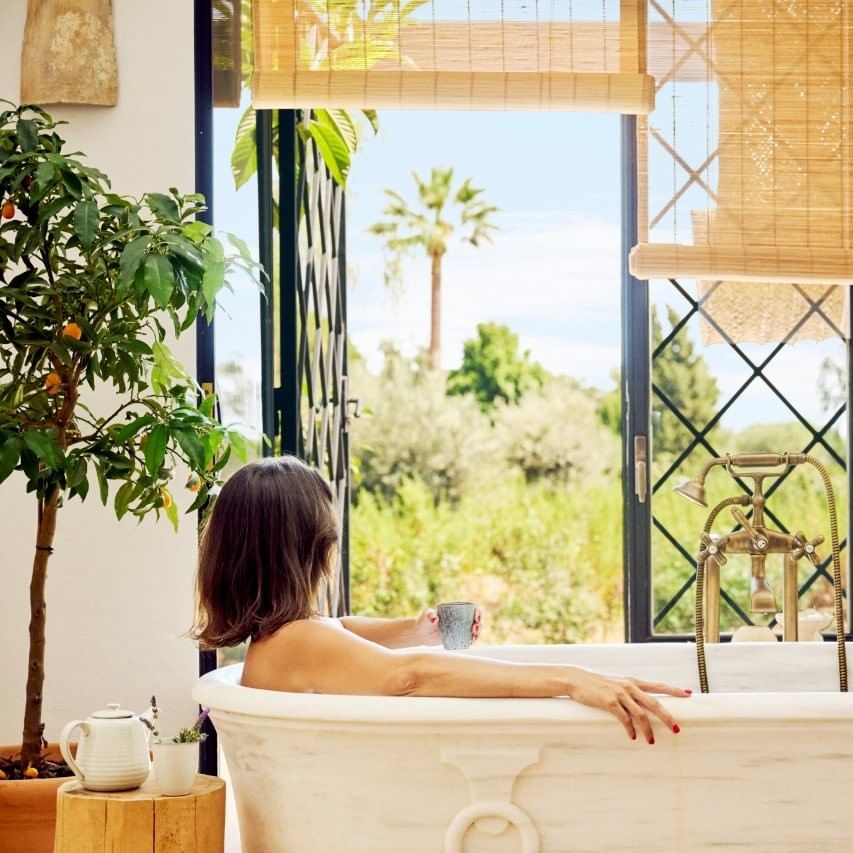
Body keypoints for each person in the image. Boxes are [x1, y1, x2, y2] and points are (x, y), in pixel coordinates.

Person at [192, 456, 690, 744]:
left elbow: (341, 628)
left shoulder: (278, 639)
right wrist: (569, 678)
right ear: (311, 547)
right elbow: (407, 676)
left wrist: (417, 629)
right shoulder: (297, 640)